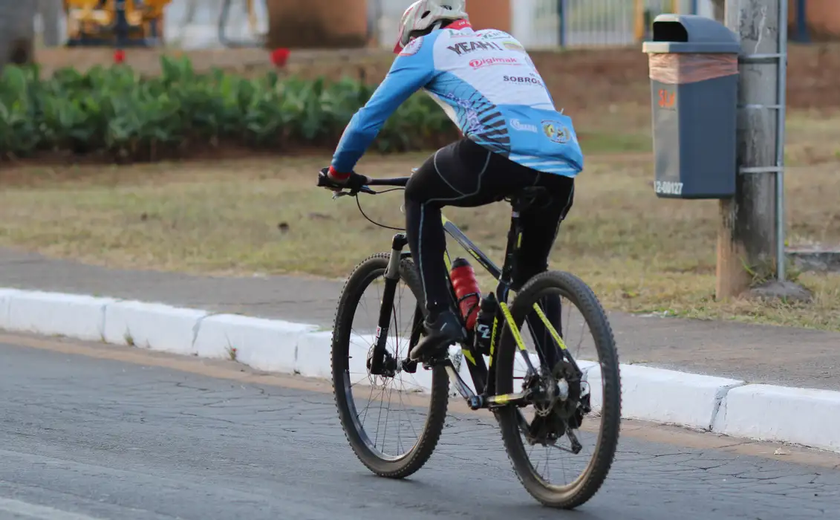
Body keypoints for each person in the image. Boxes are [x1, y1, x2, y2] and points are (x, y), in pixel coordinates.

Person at [320, 0, 583, 364]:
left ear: (417, 29)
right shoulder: (504, 41)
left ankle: (439, 317)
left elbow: (369, 118)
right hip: (560, 156)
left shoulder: (425, 47)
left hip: (498, 151)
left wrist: (338, 172)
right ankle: (556, 378)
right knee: (531, 272)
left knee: (419, 195)